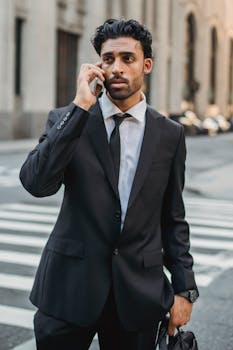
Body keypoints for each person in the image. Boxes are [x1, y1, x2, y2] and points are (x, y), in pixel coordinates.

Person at [20, 18, 199, 350]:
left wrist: (184, 288)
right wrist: (80, 107)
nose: (116, 67)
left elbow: (173, 217)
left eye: (127, 59)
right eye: (108, 59)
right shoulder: (68, 119)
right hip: (68, 291)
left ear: (146, 65)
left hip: (137, 296)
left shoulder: (169, 135)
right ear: (97, 64)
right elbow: (36, 182)